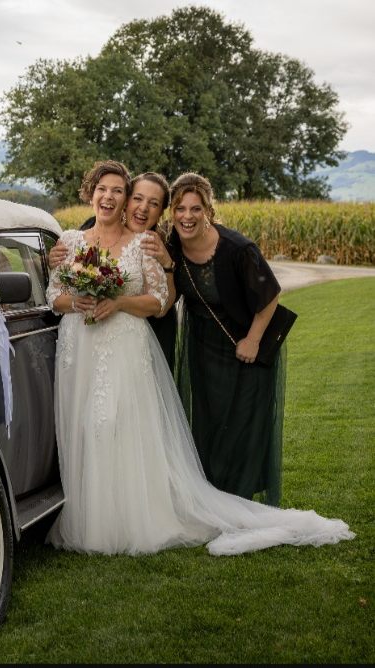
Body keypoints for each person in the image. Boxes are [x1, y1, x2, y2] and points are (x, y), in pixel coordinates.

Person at [46, 160, 353, 556]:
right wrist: (75, 294)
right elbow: (55, 293)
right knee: (86, 426)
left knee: (118, 424)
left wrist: (121, 298)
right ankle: (92, 517)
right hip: (82, 349)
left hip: (133, 345)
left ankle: (137, 517)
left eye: (128, 194)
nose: (120, 200)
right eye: (120, 194)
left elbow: (161, 300)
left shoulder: (151, 244)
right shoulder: (73, 239)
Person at [167, 173, 284, 505]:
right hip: (204, 350)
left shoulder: (237, 249)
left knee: (242, 427)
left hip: (246, 349)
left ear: (209, 211)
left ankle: (240, 501)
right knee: (209, 424)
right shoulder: (171, 244)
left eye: (196, 208)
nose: (187, 216)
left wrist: (253, 340)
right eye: (180, 209)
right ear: (172, 211)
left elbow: (271, 295)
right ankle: (214, 499)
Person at [49, 172, 178, 368]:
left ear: (161, 212)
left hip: (145, 335)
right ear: (127, 202)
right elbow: (61, 286)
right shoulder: (83, 232)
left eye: (153, 203)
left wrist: (168, 264)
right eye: (138, 198)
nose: (143, 208)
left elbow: (162, 304)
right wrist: (53, 262)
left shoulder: (158, 244)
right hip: (82, 343)